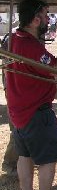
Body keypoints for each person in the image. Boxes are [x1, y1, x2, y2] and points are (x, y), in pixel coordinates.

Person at [6, 0, 57, 190]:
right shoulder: (31, 47)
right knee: (48, 160)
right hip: (36, 112)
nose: (49, 20)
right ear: (35, 20)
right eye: (46, 16)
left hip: (18, 113)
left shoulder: (13, 38)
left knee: (25, 156)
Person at [1, 33, 18, 175]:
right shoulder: (9, 65)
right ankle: (9, 163)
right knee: (18, 130)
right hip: (14, 94)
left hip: (16, 93)